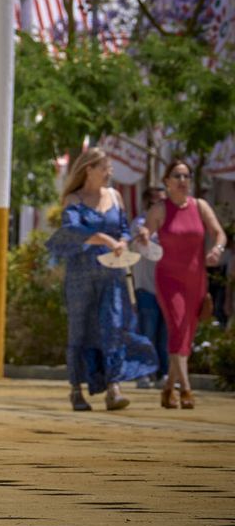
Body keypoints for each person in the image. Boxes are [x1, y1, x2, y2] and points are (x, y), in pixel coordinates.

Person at [48, 148, 157, 411]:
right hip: (81, 273)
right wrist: (104, 239)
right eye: (105, 167)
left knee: (114, 325)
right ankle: (76, 389)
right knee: (80, 327)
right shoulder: (73, 199)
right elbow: (73, 230)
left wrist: (122, 240)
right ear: (89, 169)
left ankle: (113, 388)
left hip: (112, 272)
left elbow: (121, 228)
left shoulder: (115, 196)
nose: (110, 172)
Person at [146, 161, 227, 409]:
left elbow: (219, 233)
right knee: (178, 327)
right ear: (167, 181)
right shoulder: (160, 209)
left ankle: (169, 387)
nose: (183, 180)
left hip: (196, 280)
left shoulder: (200, 206)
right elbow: (144, 237)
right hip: (169, 279)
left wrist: (217, 249)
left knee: (186, 334)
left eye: (186, 175)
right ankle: (186, 388)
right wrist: (142, 236)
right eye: (177, 175)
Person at [130, 185, 169, 389]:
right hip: (146, 287)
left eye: (163, 201)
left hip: (168, 289)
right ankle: (144, 374)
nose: (159, 206)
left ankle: (164, 374)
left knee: (165, 336)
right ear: (147, 203)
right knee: (147, 334)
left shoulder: (170, 222)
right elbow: (148, 250)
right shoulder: (139, 224)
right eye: (155, 202)